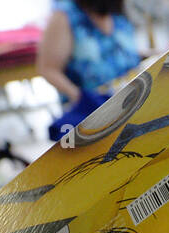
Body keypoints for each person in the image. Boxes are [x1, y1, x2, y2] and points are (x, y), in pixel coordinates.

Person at [37, 0, 144, 142]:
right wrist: (81, 98)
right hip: (96, 115)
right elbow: (48, 69)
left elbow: (119, 51)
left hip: (135, 103)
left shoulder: (114, 8)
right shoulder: (65, 15)